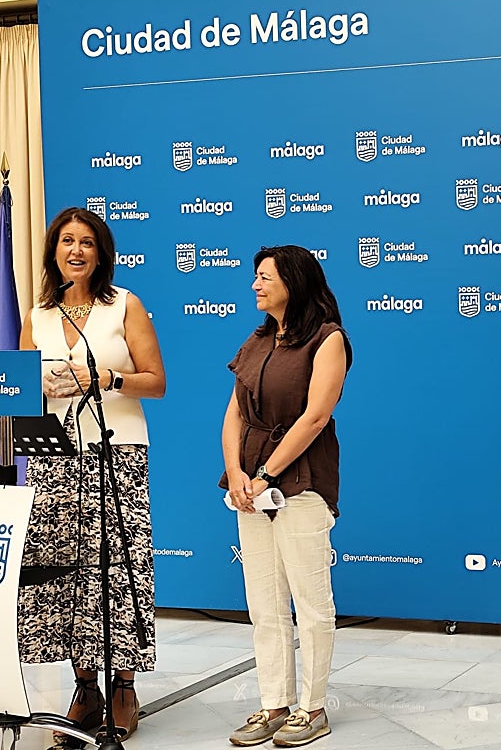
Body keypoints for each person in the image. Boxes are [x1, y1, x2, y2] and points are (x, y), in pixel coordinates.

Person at [17, 206, 166, 741]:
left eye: (85, 242)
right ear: (52, 252)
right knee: (63, 573)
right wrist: (38, 388)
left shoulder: (123, 305)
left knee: (115, 570)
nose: (75, 251)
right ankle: (85, 687)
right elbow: (15, 387)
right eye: (65, 242)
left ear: (100, 252)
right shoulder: (38, 315)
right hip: (53, 456)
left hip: (115, 451)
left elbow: (156, 381)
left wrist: (103, 376)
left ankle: (123, 684)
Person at [222, 245, 351, 748]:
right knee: (265, 602)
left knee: (311, 602)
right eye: (255, 277)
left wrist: (267, 474)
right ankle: (273, 703)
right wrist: (236, 473)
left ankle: (312, 707)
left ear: (294, 282)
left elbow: (315, 416)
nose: (255, 285)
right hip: (248, 486)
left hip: (301, 482)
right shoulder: (256, 340)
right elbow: (234, 412)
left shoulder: (328, 340)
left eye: (265, 277)